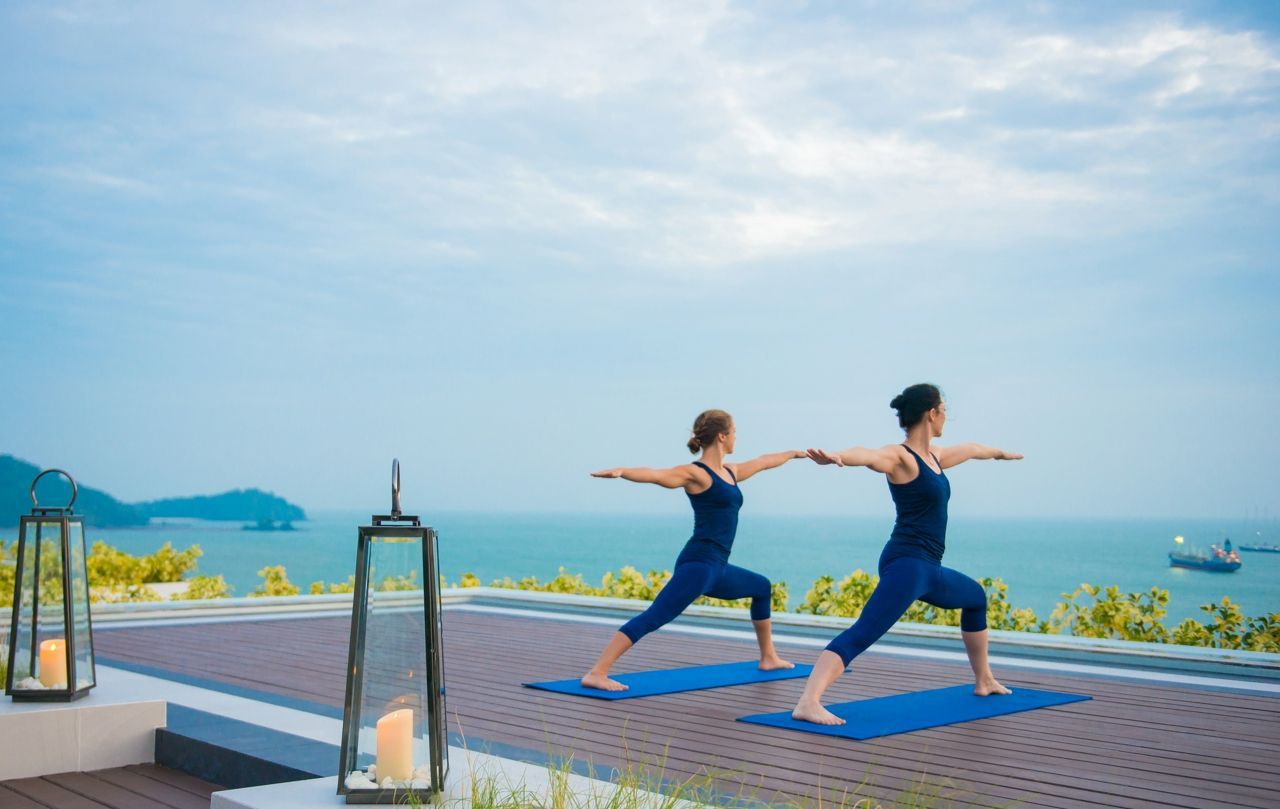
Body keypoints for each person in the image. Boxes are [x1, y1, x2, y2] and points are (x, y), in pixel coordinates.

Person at [791, 384, 1024, 725]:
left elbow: (973, 449)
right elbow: (868, 455)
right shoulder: (900, 457)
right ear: (932, 413)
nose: (946, 417)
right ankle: (808, 702)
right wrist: (839, 456)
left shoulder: (935, 457)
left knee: (975, 597)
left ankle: (984, 679)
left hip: (929, 568)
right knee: (865, 631)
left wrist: (1002, 454)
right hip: (907, 564)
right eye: (944, 411)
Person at [582, 409, 806, 691]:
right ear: (722, 436)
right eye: (734, 432)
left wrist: (794, 454)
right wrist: (623, 472)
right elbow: (657, 475)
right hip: (699, 564)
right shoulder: (696, 474)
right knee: (656, 615)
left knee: (761, 587)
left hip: (718, 567)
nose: (737, 437)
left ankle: (769, 657)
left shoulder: (730, 472)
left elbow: (763, 462)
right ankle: (597, 672)